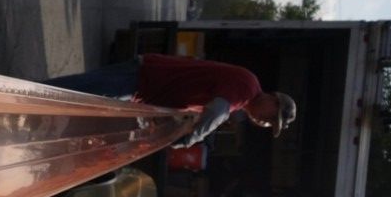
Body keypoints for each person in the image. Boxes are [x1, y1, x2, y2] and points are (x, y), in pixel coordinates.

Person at [46, 53, 297, 148]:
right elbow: (217, 111)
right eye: (270, 118)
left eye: (268, 126)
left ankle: (17, 96)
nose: (264, 122)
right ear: (274, 101)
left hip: (141, 86)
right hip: (142, 78)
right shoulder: (246, 88)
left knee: (69, 98)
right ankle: (11, 91)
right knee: (62, 93)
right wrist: (188, 139)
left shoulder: (242, 96)